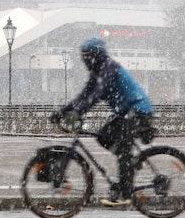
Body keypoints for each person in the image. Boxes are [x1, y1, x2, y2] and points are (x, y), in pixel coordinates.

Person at [51, 38, 155, 207]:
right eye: (83, 56)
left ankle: (125, 194)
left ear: (98, 55)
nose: (85, 59)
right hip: (124, 112)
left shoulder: (109, 69)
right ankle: (129, 160)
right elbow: (83, 96)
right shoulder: (97, 72)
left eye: (88, 56)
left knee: (122, 149)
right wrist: (62, 112)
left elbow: (96, 95)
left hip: (139, 111)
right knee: (102, 137)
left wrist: (78, 112)